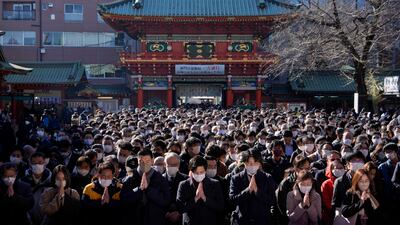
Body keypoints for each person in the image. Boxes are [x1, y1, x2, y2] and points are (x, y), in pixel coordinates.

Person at [120, 149, 171, 225]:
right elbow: (124, 199)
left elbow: (165, 200)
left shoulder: (160, 179)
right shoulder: (129, 178)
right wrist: (139, 189)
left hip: (155, 220)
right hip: (133, 219)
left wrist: (148, 190)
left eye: (147, 161)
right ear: (138, 161)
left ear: (152, 160)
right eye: (141, 161)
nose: (144, 164)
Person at [229, 149, 277, 225]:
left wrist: (257, 191)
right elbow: (233, 200)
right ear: (244, 163)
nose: (252, 166)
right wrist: (248, 190)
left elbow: (272, 200)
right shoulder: (236, 178)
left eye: (255, 163)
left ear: (259, 163)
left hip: (262, 220)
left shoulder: (267, 178)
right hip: (243, 220)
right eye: (249, 163)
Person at [177, 155, 224, 225]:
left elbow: (220, 206)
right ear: (191, 171)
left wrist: (205, 198)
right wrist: (195, 198)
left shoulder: (215, 184)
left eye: (201, 172)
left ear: (205, 170)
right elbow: (180, 208)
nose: (199, 174)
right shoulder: (183, 185)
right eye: (196, 172)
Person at [21, 151, 53, 225]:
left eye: (40, 162)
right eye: (34, 163)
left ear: (44, 164)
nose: (37, 165)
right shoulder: (23, 181)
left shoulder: (52, 182)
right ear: (30, 164)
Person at [163, 152, 188, 225]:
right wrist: (166, 213)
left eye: (175, 165)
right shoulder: (159, 180)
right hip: (164, 219)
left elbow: (189, 200)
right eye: (170, 165)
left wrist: (179, 213)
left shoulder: (186, 180)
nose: (172, 167)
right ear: (165, 165)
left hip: (181, 219)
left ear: (179, 164)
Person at [321, 159, 345, 225]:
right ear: (331, 170)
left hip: (347, 213)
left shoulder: (349, 182)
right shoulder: (326, 184)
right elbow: (327, 202)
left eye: (341, 168)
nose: (339, 170)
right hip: (330, 216)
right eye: (336, 168)